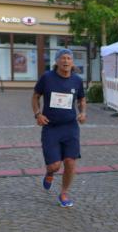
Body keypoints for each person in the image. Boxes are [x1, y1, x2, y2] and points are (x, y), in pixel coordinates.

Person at [32, 49, 86, 208]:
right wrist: (38, 114)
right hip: (51, 127)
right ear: (56, 61)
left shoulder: (77, 80)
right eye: (63, 58)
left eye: (69, 58)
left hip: (70, 127)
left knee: (70, 162)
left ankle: (64, 193)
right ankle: (49, 172)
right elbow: (35, 96)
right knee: (54, 166)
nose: (66, 61)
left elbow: (81, 99)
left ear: (72, 62)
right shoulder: (47, 78)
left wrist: (83, 112)